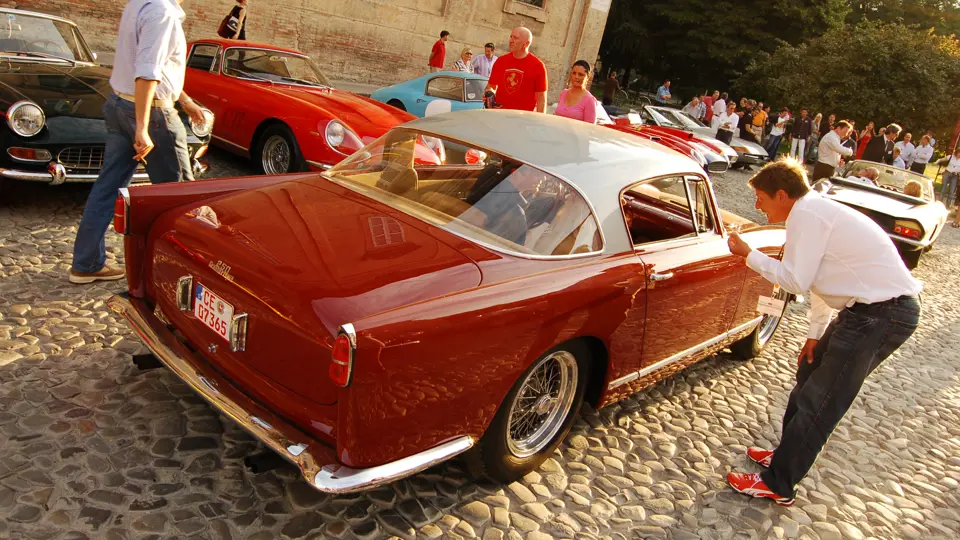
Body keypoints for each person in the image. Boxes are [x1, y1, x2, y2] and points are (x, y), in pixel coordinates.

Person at [725, 158, 922, 507]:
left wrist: (749, 254)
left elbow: (796, 279)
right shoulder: (808, 212)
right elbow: (819, 278)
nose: (757, 205)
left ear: (782, 195)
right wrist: (815, 333)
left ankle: (779, 483)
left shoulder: (808, 215)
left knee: (822, 399)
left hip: (883, 314)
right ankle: (785, 456)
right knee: (808, 374)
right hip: (865, 311)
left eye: (760, 198)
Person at [70, 0, 205, 285]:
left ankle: (86, 263)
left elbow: (156, 67)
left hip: (120, 104)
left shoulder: (139, 4)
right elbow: (146, 72)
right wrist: (142, 129)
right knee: (183, 196)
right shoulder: (163, 13)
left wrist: (187, 101)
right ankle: (182, 274)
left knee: (107, 187)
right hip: (151, 114)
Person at [484, 27, 548, 112]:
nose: (511, 40)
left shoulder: (538, 66)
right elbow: (491, 86)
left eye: (515, 38)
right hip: (499, 115)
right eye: (511, 37)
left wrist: (539, 122)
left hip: (523, 119)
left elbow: (541, 99)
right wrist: (489, 94)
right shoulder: (501, 61)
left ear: (526, 43)